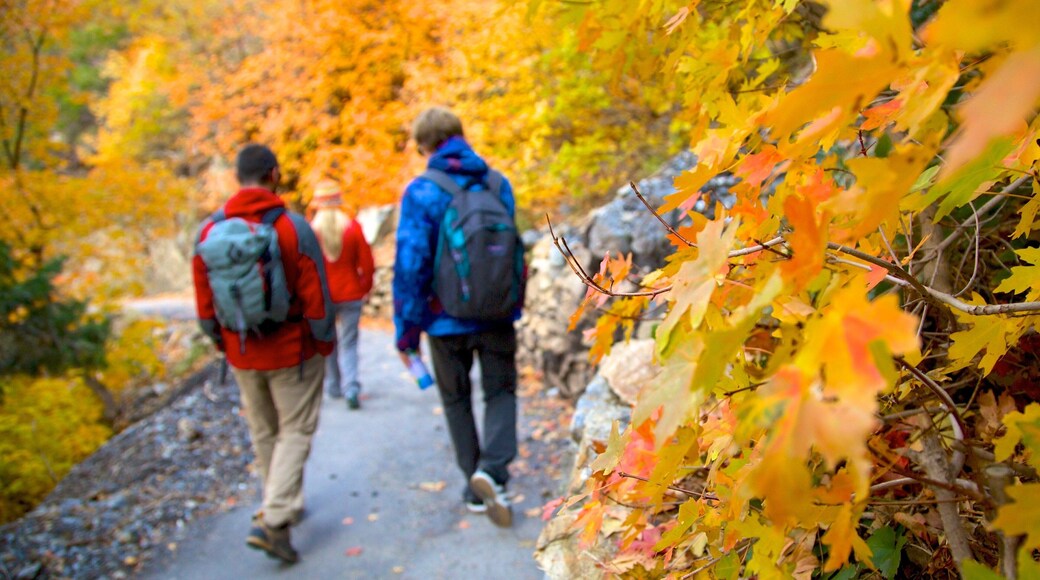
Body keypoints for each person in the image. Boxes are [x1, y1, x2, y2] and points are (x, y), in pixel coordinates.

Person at [192, 144, 335, 563]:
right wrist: (323, 344)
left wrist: (223, 343)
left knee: (266, 432)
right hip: (292, 350)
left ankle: (282, 503)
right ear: (273, 174)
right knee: (296, 429)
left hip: (241, 352)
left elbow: (203, 305)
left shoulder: (208, 232)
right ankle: (274, 519)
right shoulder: (292, 227)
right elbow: (317, 297)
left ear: (239, 177)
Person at [392, 107, 522, 527]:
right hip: (498, 315)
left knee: (456, 399)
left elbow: (411, 267)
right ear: (461, 136)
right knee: (500, 393)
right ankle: (494, 471)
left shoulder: (423, 192)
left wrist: (406, 334)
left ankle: (474, 486)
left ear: (424, 146)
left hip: (444, 319)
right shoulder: (497, 183)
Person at [309, 180, 374, 409]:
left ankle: (334, 385)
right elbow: (367, 263)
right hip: (351, 294)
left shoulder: (311, 232)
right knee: (349, 342)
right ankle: (352, 386)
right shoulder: (352, 228)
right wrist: (364, 288)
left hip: (323, 296)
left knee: (329, 342)